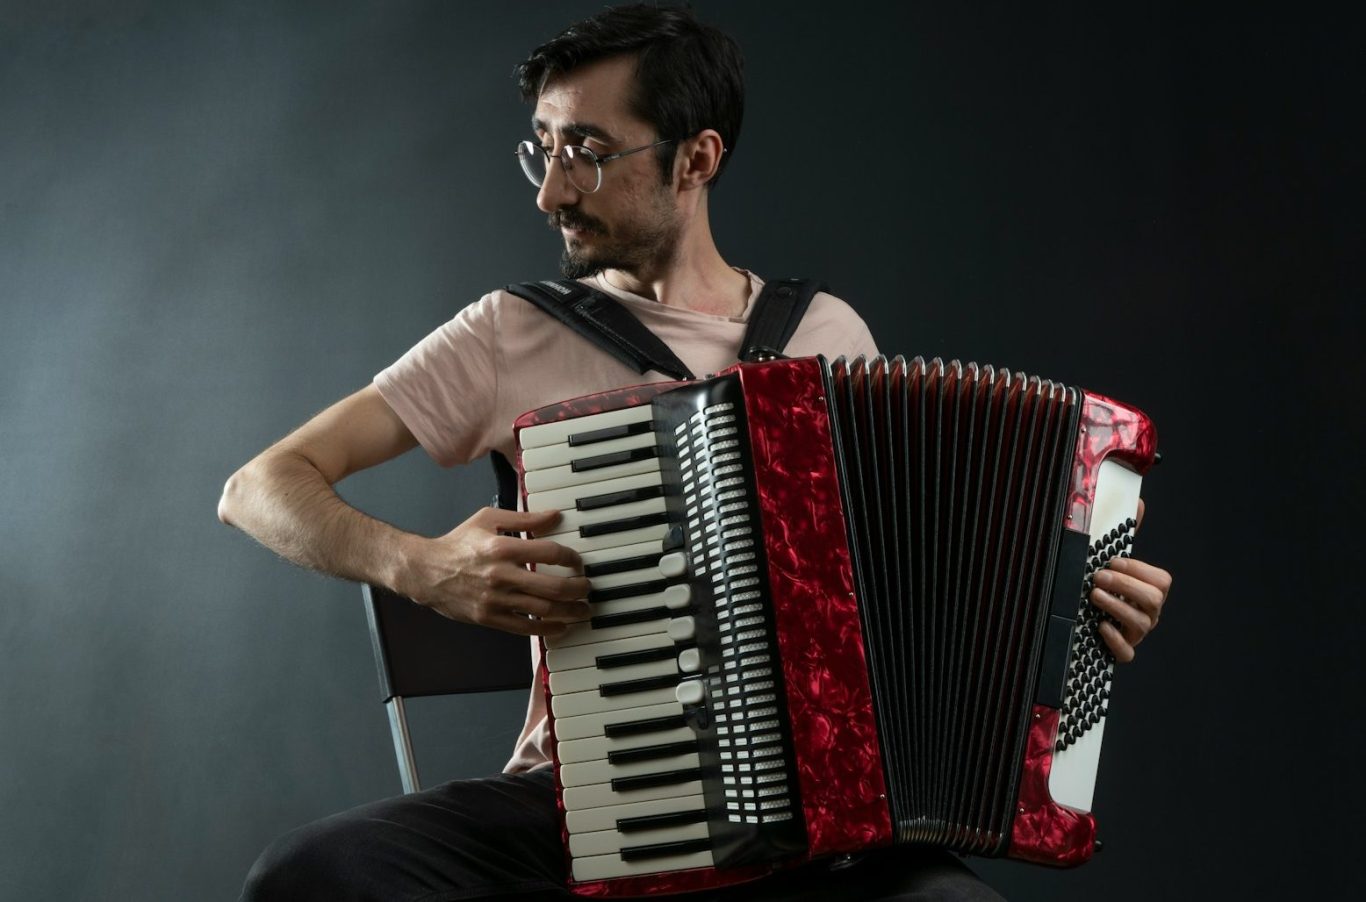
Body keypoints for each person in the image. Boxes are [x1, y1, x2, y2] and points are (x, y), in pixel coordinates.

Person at [219, 5, 1172, 900]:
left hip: (831, 822)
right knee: (310, 876)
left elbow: (924, 583)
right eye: (543, 149)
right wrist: (422, 567)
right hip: (589, 803)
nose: (552, 190)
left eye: (588, 154)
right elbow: (259, 486)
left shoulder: (827, 337)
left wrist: (1077, 606)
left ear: (697, 159)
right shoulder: (508, 333)